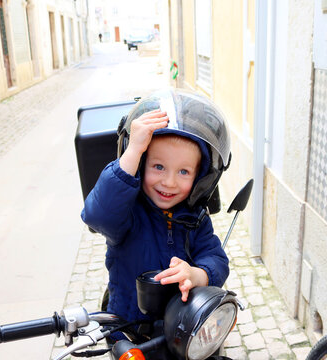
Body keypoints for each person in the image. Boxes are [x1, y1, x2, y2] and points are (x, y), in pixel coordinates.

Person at [81, 89, 232, 323]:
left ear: (199, 178)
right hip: (128, 327)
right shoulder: (127, 212)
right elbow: (98, 215)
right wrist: (133, 151)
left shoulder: (195, 218)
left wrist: (196, 274)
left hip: (182, 328)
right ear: (141, 165)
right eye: (158, 167)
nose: (169, 182)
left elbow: (217, 260)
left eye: (184, 171)